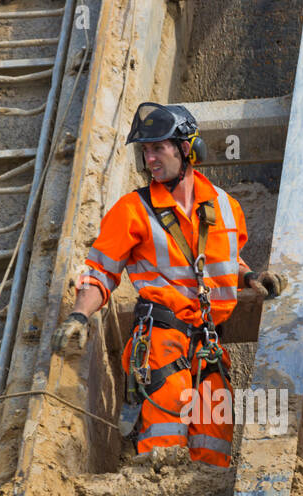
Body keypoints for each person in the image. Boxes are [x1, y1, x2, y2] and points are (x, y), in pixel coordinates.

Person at [53, 102, 282, 472]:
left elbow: (223, 263)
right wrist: (80, 314)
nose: (150, 159)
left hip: (209, 347)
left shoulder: (226, 207)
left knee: (214, 446)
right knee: (163, 448)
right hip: (161, 341)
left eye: (158, 147)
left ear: (187, 148)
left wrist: (250, 278)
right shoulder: (132, 210)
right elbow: (100, 272)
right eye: (145, 150)